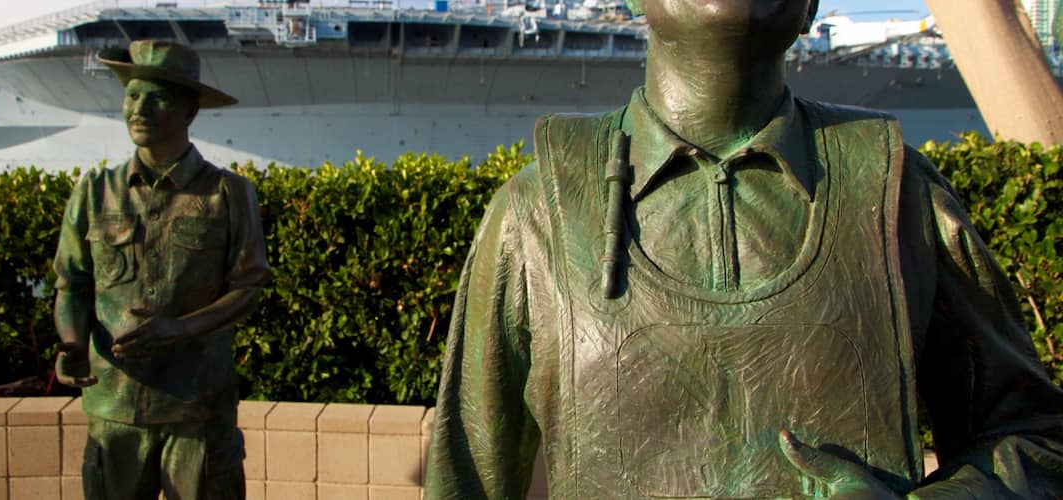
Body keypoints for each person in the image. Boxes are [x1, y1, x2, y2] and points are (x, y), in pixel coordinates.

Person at [424, 0, 1063, 497]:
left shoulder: (901, 196)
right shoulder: (535, 211)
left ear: (811, 8)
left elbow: (1039, 438)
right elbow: (467, 474)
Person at [52, 40, 271, 500]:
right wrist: (71, 342)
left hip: (198, 409)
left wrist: (180, 328)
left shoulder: (229, 193)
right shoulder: (94, 191)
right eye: (132, 95)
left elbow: (248, 286)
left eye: (157, 98)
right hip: (113, 406)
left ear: (189, 111)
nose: (139, 108)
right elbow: (71, 284)